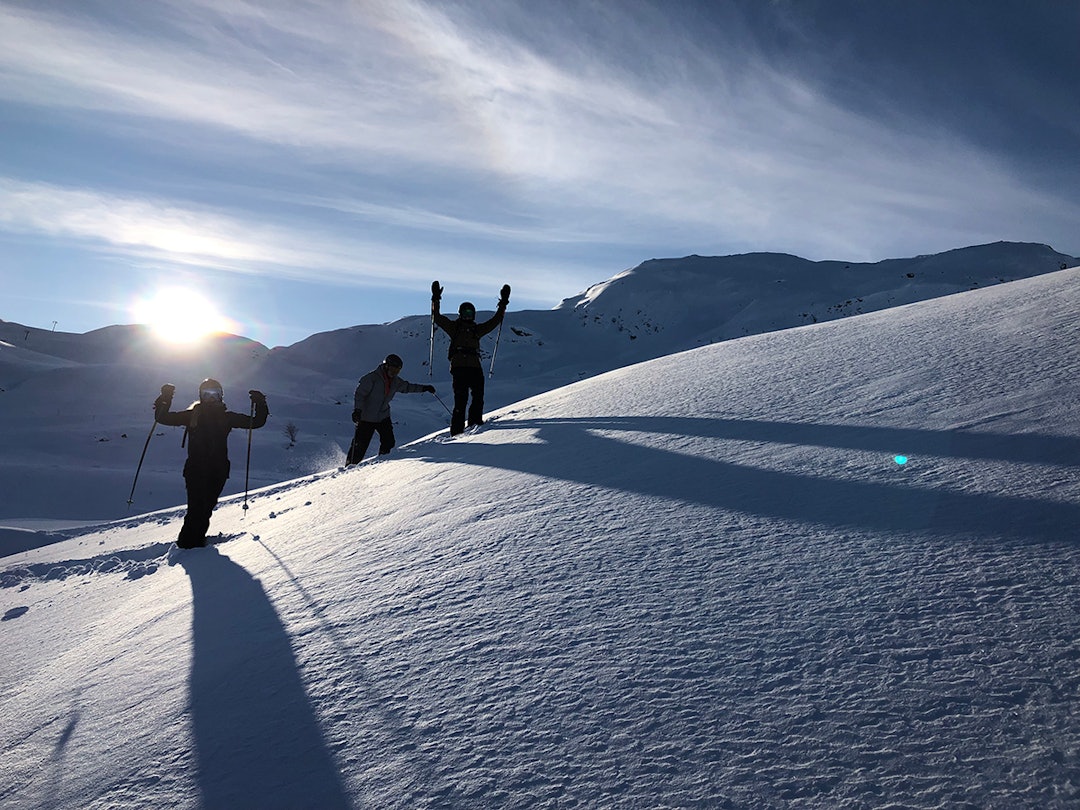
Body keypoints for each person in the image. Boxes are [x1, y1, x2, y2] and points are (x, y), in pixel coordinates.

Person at [154, 378, 269, 548]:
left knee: (206, 508)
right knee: (197, 508)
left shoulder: (227, 417)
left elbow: (256, 422)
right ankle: (188, 546)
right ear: (201, 396)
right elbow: (162, 417)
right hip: (196, 470)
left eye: (215, 394)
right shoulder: (192, 415)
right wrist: (165, 398)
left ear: (221, 396)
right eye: (207, 395)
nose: (211, 399)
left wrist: (260, 403)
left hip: (218, 471)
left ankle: (194, 544)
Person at [432, 282, 510, 435]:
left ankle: (475, 424)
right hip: (460, 367)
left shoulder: (476, 329)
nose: (468, 316)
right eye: (465, 313)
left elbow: (495, 321)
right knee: (461, 399)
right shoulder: (454, 327)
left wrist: (503, 303)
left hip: (474, 367)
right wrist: (436, 299)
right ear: (460, 314)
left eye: (470, 313)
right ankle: (457, 431)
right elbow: (437, 318)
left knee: (478, 397)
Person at [347, 354, 435, 465]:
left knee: (388, 442)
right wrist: (358, 410)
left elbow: (407, 387)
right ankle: (349, 468)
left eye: (397, 370)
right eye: (393, 369)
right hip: (366, 417)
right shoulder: (372, 378)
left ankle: (383, 464)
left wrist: (424, 388)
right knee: (359, 446)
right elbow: (360, 395)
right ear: (386, 366)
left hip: (383, 416)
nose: (395, 373)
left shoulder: (395, 381)